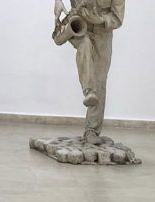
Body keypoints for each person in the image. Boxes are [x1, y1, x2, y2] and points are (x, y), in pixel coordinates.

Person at [54, 0, 125, 144]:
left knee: (100, 80)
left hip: (102, 33)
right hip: (78, 22)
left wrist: (99, 19)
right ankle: (89, 91)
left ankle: (91, 131)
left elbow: (118, 19)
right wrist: (57, 1)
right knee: (84, 45)